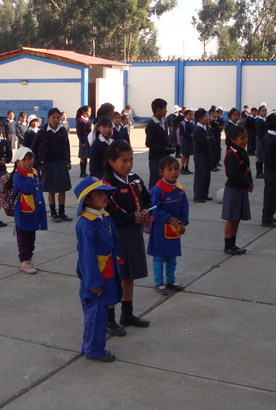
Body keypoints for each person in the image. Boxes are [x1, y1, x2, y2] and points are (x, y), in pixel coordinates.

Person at [102, 141, 151, 334]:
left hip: (134, 234)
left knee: (129, 274)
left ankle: (127, 313)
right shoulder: (107, 185)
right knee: (114, 276)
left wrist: (145, 211)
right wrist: (132, 217)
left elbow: (147, 199)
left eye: (131, 160)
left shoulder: (135, 179)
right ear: (112, 162)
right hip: (116, 236)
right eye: (124, 161)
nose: (129, 165)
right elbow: (108, 215)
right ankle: (109, 319)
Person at [73, 177, 121, 362]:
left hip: (107, 272)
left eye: (104, 192)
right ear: (87, 199)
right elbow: (87, 255)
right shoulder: (86, 224)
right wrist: (93, 282)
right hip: (95, 277)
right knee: (96, 314)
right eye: (98, 193)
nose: (104, 196)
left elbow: (113, 240)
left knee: (100, 312)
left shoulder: (104, 216)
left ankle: (90, 345)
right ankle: (94, 350)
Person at [147, 156, 189, 295]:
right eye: (169, 169)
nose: (174, 172)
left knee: (172, 257)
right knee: (159, 257)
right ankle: (159, 283)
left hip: (174, 230)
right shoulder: (158, 190)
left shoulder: (179, 189)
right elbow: (154, 209)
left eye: (176, 169)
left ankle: (171, 281)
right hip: (160, 230)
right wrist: (169, 218)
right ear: (161, 172)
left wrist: (182, 222)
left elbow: (184, 207)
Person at [33, 108, 73, 223]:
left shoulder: (62, 130)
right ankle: (53, 213)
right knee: (51, 190)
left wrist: (68, 161)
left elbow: (67, 146)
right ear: (48, 118)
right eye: (53, 117)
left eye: (58, 117)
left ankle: (62, 212)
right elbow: (34, 148)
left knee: (62, 189)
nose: (56, 120)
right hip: (48, 164)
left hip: (61, 163)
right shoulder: (42, 132)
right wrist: (38, 164)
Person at [11, 146, 47, 275]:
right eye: (25, 159)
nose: (29, 162)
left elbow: (40, 187)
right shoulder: (18, 175)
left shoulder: (34, 173)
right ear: (18, 162)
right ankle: (24, 261)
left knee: (31, 238)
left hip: (33, 211)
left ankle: (29, 258)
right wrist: (29, 175)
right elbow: (27, 189)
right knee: (23, 238)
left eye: (30, 158)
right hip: (23, 212)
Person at [222, 125, 253, 255]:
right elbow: (233, 175)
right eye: (242, 138)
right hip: (234, 189)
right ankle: (228, 245)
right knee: (231, 218)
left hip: (241, 188)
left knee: (237, 218)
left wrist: (249, 183)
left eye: (246, 138)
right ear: (233, 140)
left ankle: (233, 244)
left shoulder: (241, 151)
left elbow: (247, 169)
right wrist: (246, 183)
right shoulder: (231, 154)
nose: (245, 141)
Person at [260, 113, 276, 228]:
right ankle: (267, 218)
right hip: (274, 171)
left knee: (268, 194)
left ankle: (268, 215)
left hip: (268, 169)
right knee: (272, 195)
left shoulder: (266, 137)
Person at [145, 98, 175, 187]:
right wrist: (164, 149)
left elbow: (165, 137)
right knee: (155, 182)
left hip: (164, 157)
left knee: (164, 182)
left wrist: (170, 146)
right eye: (165, 108)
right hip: (156, 158)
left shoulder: (163, 122)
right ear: (158, 110)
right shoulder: (151, 124)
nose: (166, 110)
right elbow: (149, 143)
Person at [192, 108, 213, 203]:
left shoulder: (205, 127)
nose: (207, 118)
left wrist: (208, 138)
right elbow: (203, 142)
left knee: (206, 175)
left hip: (206, 154)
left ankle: (205, 194)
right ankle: (198, 195)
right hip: (200, 154)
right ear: (200, 119)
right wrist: (208, 139)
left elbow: (212, 138)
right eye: (205, 116)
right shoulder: (197, 129)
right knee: (200, 175)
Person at [75, 106, 92, 178]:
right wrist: (82, 142)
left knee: (87, 156)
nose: (90, 113)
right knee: (83, 157)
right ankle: (82, 173)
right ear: (84, 112)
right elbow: (79, 132)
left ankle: (85, 172)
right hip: (84, 139)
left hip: (88, 139)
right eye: (89, 111)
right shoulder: (80, 120)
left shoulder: (88, 120)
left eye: (90, 112)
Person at [178, 109, 194, 175]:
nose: (191, 116)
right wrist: (189, 135)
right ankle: (182, 168)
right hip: (185, 140)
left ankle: (186, 168)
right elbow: (181, 133)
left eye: (191, 115)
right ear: (185, 115)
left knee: (188, 155)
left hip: (190, 141)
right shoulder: (183, 123)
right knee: (184, 155)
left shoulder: (192, 123)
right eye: (189, 115)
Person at [254, 104, 268, 178]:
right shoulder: (259, 120)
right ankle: (259, 173)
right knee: (259, 157)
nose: (264, 112)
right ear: (259, 112)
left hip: (264, 140)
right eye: (263, 111)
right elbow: (260, 132)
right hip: (260, 140)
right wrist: (267, 134)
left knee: (262, 156)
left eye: (265, 111)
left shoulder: (264, 120)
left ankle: (262, 172)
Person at [209, 107, 223, 171]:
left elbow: (220, 127)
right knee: (212, 152)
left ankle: (216, 163)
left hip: (217, 137)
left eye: (215, 113)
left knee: (217, 150)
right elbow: (211, 129)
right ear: (210, 115)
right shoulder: (209, 121)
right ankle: (212, 165)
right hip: (212, 138)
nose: (214, 115)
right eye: (213, 113)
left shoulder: (219, 120)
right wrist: (217, 128)